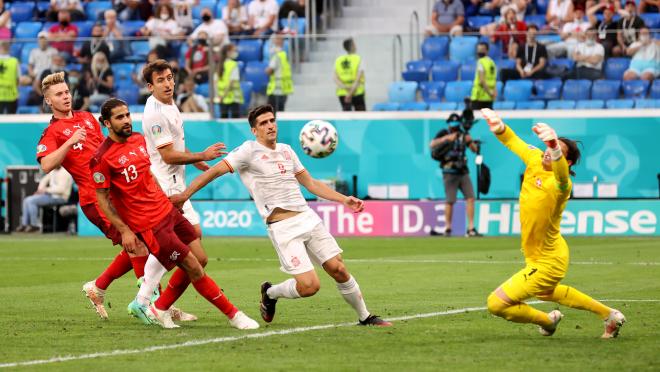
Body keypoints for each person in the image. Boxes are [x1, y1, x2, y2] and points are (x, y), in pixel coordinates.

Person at [170, 104, 392, 327]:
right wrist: (184, 194)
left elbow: (311, 183)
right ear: (254, 130)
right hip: (283, 227)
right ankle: (271, 293)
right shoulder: (247, 151)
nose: (270, 126)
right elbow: (214, 172)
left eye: (272, 121)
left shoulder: (287, 150)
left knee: (339, 269)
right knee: (309, 287)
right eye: (263, 123)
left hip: (307, 218)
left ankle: (365, 316)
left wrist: (344, 199)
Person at [91, 98, 259, 330]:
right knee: (193, 266)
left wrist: (168, 201)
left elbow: (148, 175)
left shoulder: (139, 140)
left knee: (201, 258)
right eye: (120, 117)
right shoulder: (102, 158)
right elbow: (102, 199)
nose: (127, 120)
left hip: (167, 210)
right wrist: (125, 231)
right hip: (149, 223)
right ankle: (234, 315)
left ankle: (155, 306)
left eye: (128, 115)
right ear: (107, 123)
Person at [480, 108, 626, 339]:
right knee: (547, 293)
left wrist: (555, 147)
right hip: (541, 254)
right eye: (548, 147)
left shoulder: (562, 186)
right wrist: (499, 126)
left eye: (554, 150)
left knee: (496, 304)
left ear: (566, 161)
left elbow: (561, 175)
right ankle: (609, 315)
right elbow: (512, 141)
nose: (547, 152)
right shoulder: (535, 158)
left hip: (549, 260)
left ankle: (548, 321)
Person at [35, 71, 148, 319]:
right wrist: (68, 142)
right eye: (58, 94)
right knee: (138, 244)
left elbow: (106, 150)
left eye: (66, 92)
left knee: (145, 242)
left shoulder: (86, 118)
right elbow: (46, 165)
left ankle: (99, 287)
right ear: (48, 101)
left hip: (116, 192)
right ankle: (152, 304)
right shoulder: (52, 132)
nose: (65, 97)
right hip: (95, 200)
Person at [429, 114, 481, 237]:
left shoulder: (463, 135)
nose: (454, 127)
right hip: (449, 171)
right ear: (448, 124)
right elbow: (432, 144)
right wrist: (447, 138)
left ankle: (471, 228)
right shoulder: (444, 133)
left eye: (456, 125)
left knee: (470, 198)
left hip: (463, 170)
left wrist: (471, 141)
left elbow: (474, 150)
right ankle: (447, 228)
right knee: (450, 200)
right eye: (452, 125)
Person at [16, 166, 73, 233]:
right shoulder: (53, 170)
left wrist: (45, 190)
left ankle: (34, 225)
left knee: (31, 201)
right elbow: (44, 180)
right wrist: (40, 190)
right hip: (51, 195)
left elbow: (61, 190)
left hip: (60, 197)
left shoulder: (65, 172)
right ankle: (24, 224)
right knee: (26, 200)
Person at [333, 38, 366, 112]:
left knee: (346, 119)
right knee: (361, 119)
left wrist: (345, 89)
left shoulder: (338, 60)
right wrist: (350, 94)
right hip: (357, 92)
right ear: (352, 46)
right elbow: (358, 79)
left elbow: (335, 78)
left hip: (343, 93)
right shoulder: (358, 59)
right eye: (354, 44)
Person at [265, 33, 293, 112]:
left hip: (275, 91)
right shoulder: (284, 55)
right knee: (280, 113)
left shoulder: (277, 55)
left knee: (272, 114)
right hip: (283, 90)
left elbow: (269, 70)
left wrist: (266, 70)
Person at [215, 44, 243, 118]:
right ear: (228, 52)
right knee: (235, 121)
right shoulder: (233, 64)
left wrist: (220, 96)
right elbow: (232, 83)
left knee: (223, 120)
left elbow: (215, 82)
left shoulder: (219, 65)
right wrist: (223, 95)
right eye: (234, 50)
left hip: (222, 98)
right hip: (233, 98)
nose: (236, 52)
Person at [470, 42, 497, 110]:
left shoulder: (481, 62)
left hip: (479, 97)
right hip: (489, 98)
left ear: (487, 50)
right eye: (478, 49)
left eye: (482, 49)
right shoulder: (492, 62)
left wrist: (490, 93)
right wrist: (493, 93)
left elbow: (482, 80)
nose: (479, 51)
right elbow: (493, 80)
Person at [0, 41, 20, 114]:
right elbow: (18, 79)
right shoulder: (14, 61)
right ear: (9, 49)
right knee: (11, 120)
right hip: (11, 94)